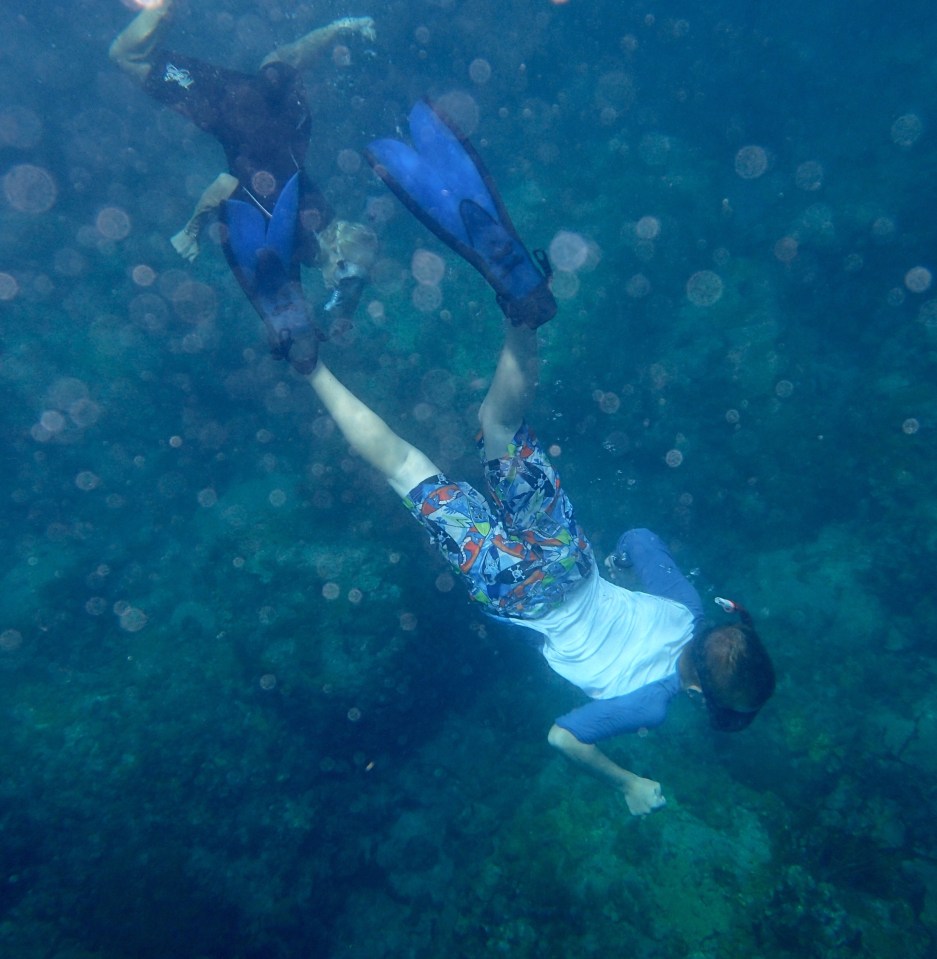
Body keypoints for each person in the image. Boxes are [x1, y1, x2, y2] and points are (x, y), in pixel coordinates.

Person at [294, 103, 777, 815]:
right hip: (521, 594)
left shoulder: (683, 608)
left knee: (498, 422)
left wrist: (614, 568)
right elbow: (562, 737)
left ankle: (522, 311)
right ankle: (307, 365)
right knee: (406, 466)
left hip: (570, 558)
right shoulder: (651, 707)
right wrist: (630, 783)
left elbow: (640, 539)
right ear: (700, 691)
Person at [109, 0, 379, 373]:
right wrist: (192, 229)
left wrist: (305, 318)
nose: (340, 286)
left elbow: (292, 255)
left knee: (281, 63)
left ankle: (341, 26)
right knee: (127, 57)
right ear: (337, 259)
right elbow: (225, 187)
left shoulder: (325, 223)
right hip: (232, 112)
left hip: (282, 118)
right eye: (345, 279)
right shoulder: (307, 234)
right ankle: (163, 6)